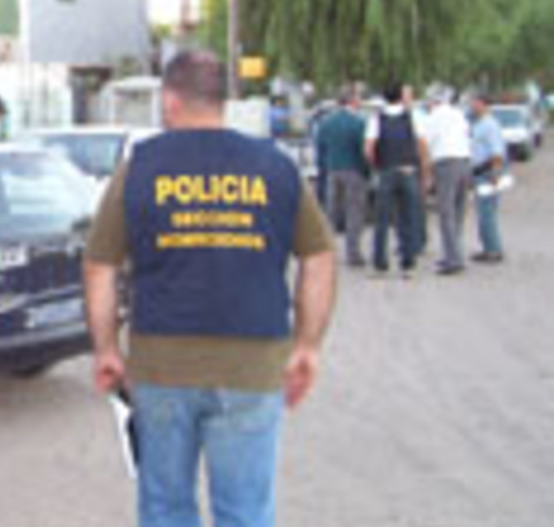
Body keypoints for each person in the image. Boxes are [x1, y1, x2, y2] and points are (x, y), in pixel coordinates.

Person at [84, 50, 337, 527]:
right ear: (223, 101)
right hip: (252, 365)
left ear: (170, 100)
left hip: (161, 365)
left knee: (165, 506)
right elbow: (319, 256)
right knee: (244, 511)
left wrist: (106, 349)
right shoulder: (275, 166)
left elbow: (100, 266)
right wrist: (308, 345)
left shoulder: (140, 167)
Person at [364, 82, 431, 278]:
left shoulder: (376, 119)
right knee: (408, 217)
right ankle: (407, 264)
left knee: (382, 220)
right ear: (401, 97)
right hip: (408, 170)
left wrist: (377, 164)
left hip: (386, 170)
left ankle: (380, 264)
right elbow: (422, 145)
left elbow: (368, 148)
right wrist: (425, 170)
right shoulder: (413, 117)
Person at [314, 85, 368, 267]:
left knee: (331, 212)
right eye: (358, 97)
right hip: (353, 169)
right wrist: (366, 171)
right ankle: (353, 252)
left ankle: (327, 251)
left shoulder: (326, 123)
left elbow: (320, 147)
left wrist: (324, 168)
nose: (360, 101)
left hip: (332, 170)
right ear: (352, 100)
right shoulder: (358, 123)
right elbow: (362, 150)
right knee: (354, 212)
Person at [422, 87, 473, 275]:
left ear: (433, 101)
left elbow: (425, 143)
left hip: (445, 163)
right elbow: (467, 135)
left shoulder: (434, 116)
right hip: (464, 161)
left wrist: (426, 171)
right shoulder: (458, 114)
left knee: (446, 212)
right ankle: (454, 252)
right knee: (458, 211)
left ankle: (453, 259)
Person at [468, 94, 507, 264]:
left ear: (484, 104)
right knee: (483, 212)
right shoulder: (479, 124)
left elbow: (497, 152)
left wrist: (496, 174)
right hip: (479, 171)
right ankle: (488, 247)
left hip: (487, 171)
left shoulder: (490, 125)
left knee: (487, 213)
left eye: (475, 103)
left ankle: (493, 250)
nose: (472, 106)